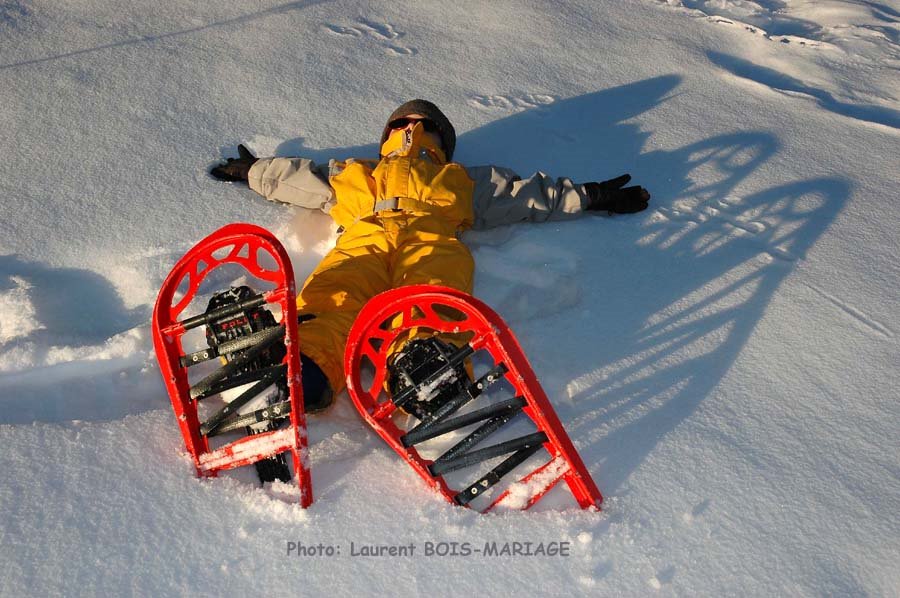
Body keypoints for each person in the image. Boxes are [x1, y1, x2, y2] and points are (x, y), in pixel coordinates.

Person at [210, 99, 650, 412]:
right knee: (336, 293)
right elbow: (299, 179)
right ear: (388, 136)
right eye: (403, 123)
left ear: (440, 139)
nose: (412, 129)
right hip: (365, 236)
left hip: (431, 238)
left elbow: (525, 196)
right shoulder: (355, 171)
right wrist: (254, 171)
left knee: (433, 293)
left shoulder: (460, 179)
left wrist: (588, 196)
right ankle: (298, 368)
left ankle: (424, 367)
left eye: (423, 124)